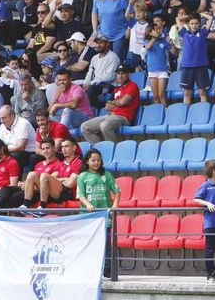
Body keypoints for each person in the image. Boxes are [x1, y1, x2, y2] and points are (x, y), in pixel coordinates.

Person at [76, 148, 120, 278]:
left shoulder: (107, 175)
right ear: (87, 161)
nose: (96, 163)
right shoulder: (82, 176)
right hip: (88, 217)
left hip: (105, 215)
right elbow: (80, 195)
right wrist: (88, 204)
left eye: (98, 160)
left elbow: (117, 191)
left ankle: (107, 271)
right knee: (90, 243)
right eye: (93, 160)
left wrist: (115, 205)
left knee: (106, 244)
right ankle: (90, 270)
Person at [80, 66, 140, 143]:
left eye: (123, 74)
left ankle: (113, 149)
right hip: (111, 116)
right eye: (118, 74)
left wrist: (115, 102)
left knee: (105, 125)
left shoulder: (133, 86)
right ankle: (99, 150)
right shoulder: (116, 89)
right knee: (85, 127)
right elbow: (107, 107)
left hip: (124, 117)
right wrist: (117, 103)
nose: (120, 76)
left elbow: (123, 102)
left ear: (128, 74)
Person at [193, 159, 215, 283]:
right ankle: (210, 274)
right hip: (211, 224)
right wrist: (207, 203)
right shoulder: (206, 185)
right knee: (210, 250)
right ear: (214, 172)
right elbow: (196, 199)